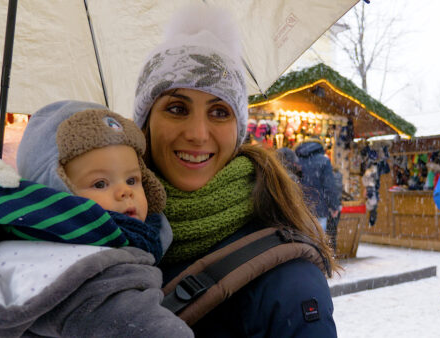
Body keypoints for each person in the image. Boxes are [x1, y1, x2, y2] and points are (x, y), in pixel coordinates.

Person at [133, 4, 338, 336]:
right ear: (146, 123)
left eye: (219, 112)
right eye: (176, 108)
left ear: (238, 129)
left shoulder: (286, 279)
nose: (198, 133)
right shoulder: (102, 241)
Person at [0, 101, 193, 337]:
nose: (125, 192)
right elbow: (139, 323)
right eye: (100, 183)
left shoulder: (20, 245)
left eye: (132, 180)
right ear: (56, 191)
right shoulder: (90, 270)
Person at [295, 137, 341, 232]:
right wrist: (334, 205)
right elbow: (329, 186)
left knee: (301, 240)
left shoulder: (296, 160)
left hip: (298, 208)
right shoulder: (323, 161)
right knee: (318, 240)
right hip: (319, 209)